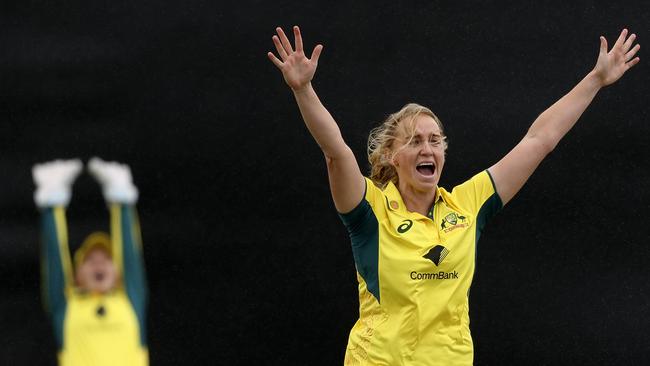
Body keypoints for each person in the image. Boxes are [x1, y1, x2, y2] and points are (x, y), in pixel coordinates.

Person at [267, 26, 640, 365]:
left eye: (435, 140)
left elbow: (539, 140)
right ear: (391, 158)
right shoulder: (369, 211)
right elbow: (336, 152)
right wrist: (303, 89)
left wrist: (595, 79)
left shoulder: (469, 203)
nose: (428, 148)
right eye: (415, 141)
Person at [33, 158, 148, 366]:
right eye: (90, 260)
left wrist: (121, 197)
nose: (99, 264)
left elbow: (130, 257)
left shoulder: (130, 300)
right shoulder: (66, 306)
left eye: (106, 259)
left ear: (118, 273)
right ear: (76, 276)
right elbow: (54, 263)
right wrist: (52, 206)